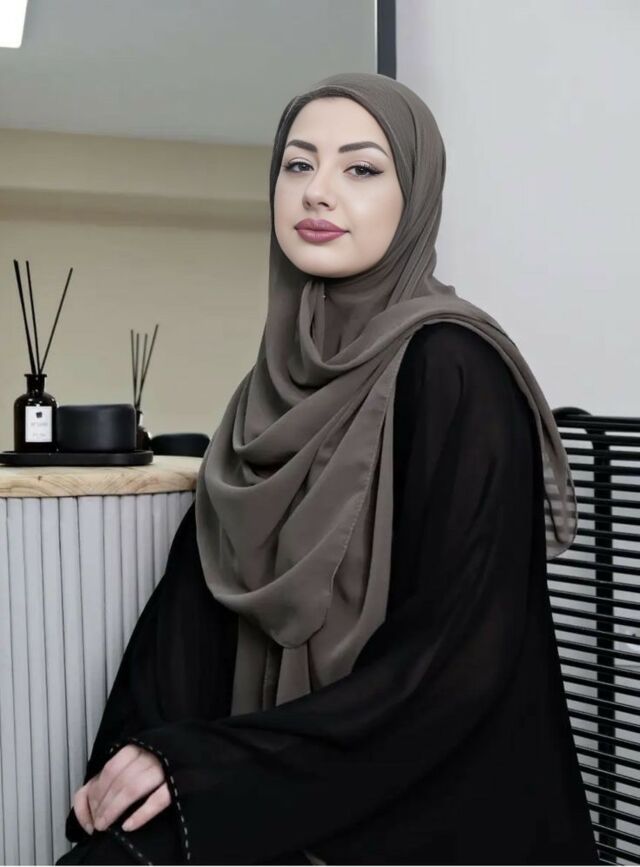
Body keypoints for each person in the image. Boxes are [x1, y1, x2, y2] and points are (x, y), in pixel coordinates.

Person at [56, 72, 599, 865]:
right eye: (298, 164)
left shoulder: (457, 369)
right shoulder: (269, 389)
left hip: (426, 804)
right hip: (283, 772)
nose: (318, 191)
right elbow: (193, 611)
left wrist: (210, 768)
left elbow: (454, 666)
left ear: (415, 197)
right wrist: (143, 749)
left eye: (361, 168)